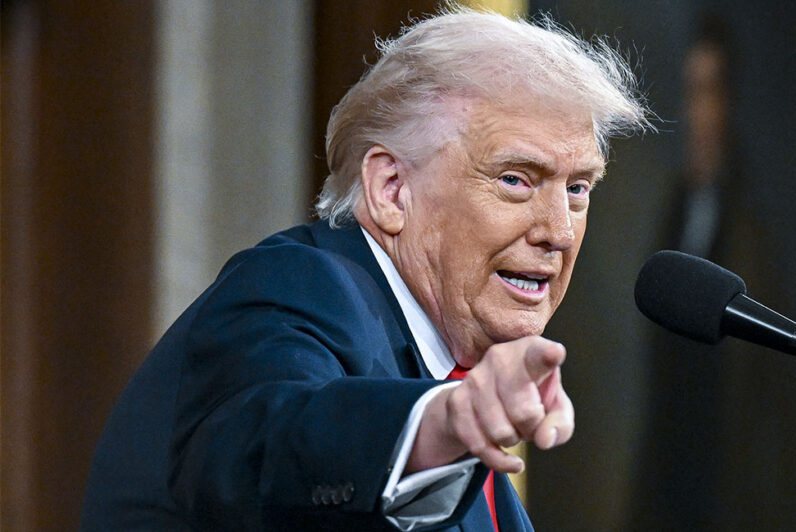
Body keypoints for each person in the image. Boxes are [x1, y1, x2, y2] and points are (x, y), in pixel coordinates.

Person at [81, 6, 649, 531]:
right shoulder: (301, 287)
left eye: (577, 189)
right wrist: (440, 423)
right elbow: (274, 443)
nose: (559, 231)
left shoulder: (458, 400)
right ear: (391, 189)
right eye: (515, 180)